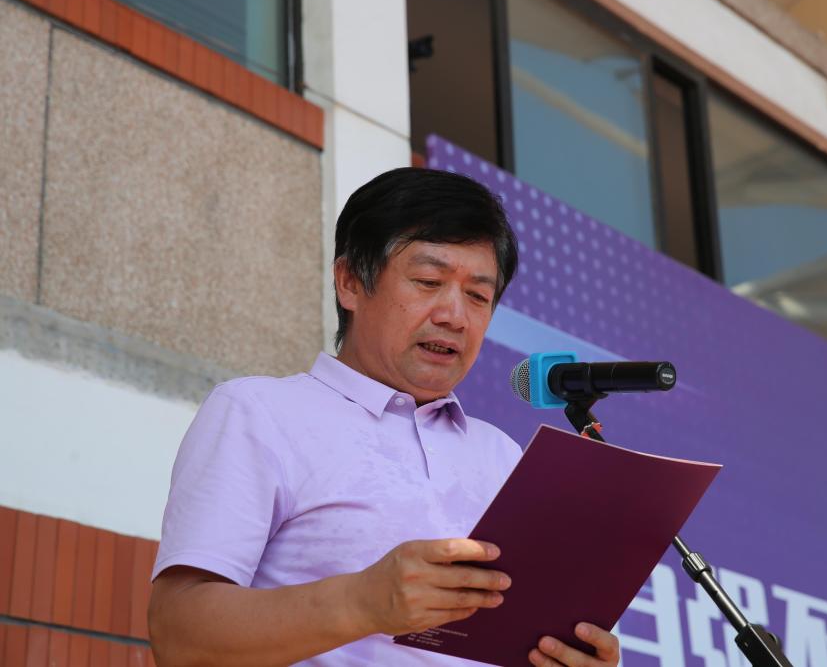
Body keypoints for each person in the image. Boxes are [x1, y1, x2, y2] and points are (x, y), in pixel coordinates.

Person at [147, 168, 621, 667]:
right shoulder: (259, 412)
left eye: (478, 296)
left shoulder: (504, 455)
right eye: (428, 282)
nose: (454, 316)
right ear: (350, 281)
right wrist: (363, 602)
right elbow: (177, 635)